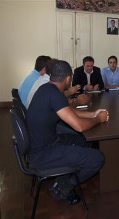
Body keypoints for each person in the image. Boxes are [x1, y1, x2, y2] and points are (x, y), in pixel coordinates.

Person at [26, 60, 108, 205]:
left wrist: (93, 114)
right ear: (68, 78)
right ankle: (63, 186)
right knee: (98, 158)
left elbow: (69, 111)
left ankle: (68, 172)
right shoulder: (55, 94)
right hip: (43, 153)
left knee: (84, 141)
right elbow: (80, 127)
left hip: (42, 144)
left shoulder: (46, 88)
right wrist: (99, 120)